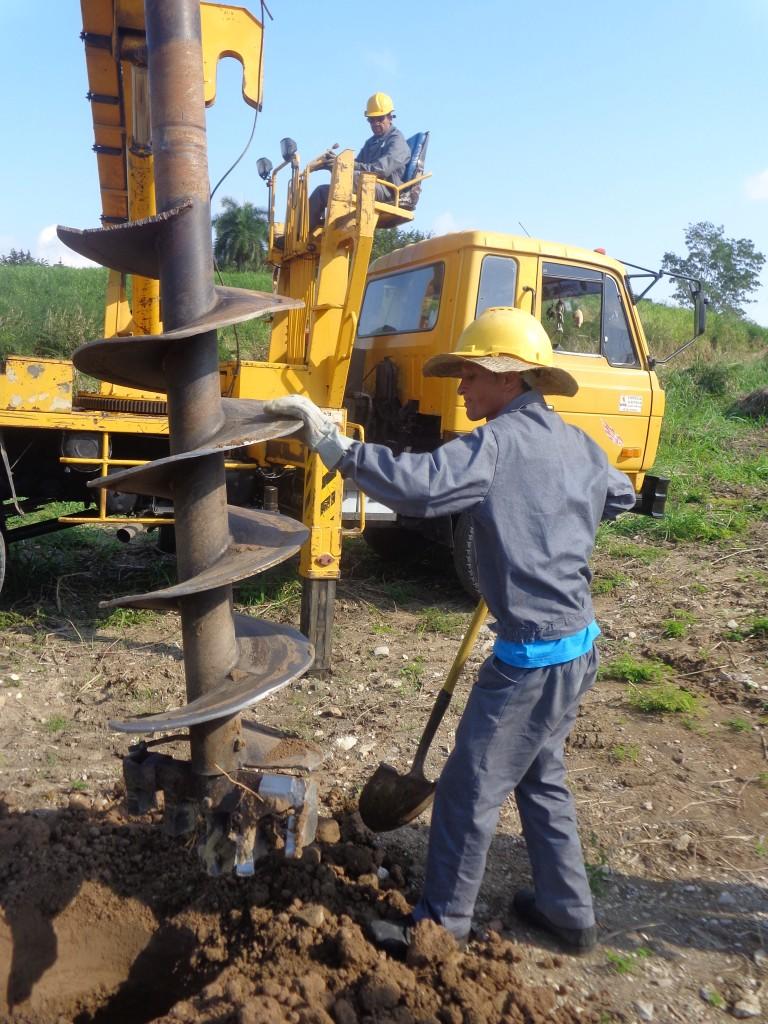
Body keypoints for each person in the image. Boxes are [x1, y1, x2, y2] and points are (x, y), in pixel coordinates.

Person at [264, 307, 637, 957]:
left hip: (530, 662)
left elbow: (416, 489)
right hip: (578, 648)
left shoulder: (493, 447)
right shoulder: (579, 443)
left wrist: (333, 444)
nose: (460, 387)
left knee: (467, 791)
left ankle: (438, 928)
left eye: (469, 373)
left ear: (508, 376)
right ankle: (567, 911)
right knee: (540, 775)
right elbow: (620, 495)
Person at [308, 92, 411, 230]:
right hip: (366, 184)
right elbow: (356, 165)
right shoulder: (372, 142)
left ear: (390, 117)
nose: (375, 123)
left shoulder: (397, 141)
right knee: (321, 191)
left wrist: (347, 166)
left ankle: (335, 223)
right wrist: (334, 165)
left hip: (387, 189)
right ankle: (303, 233)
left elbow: (381, 169)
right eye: (371, 120)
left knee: (352, 178)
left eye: (379, 118)